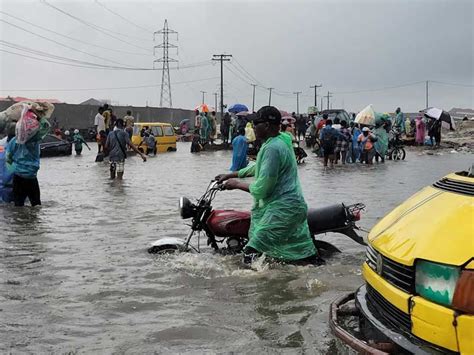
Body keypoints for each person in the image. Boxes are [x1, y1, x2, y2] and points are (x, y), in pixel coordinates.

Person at [215, 106, 317, 264]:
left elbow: (262, 188)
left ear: (267, 126)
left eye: (256, 124)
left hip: (282, 210)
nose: (253, 127)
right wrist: (231, 174)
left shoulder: (272, 148)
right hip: (290, 206)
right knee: (296, 253)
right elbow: (259, 166)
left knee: (251, 252)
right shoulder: (281, 139)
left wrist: (236, 184)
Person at [6, 107, 50, 206]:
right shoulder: (35, 140)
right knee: (36, 206)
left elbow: (8, 158)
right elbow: (46, 126)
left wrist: (13, 170)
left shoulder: (13, 142)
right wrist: (38, 115)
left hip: (18, 177)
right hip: (31, 177)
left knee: (18, 206)